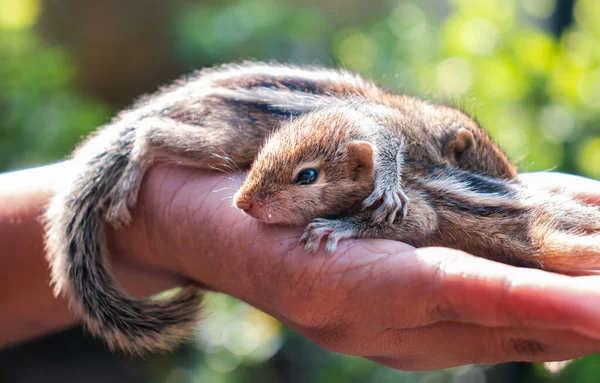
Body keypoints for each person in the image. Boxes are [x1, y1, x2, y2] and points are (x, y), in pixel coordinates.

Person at [1, 162, 600, 371]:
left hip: (516, 225)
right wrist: (176, 225)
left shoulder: (385, 194)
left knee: (567, 252)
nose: (245, 205)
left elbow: (414, 218)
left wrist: (170, 224)